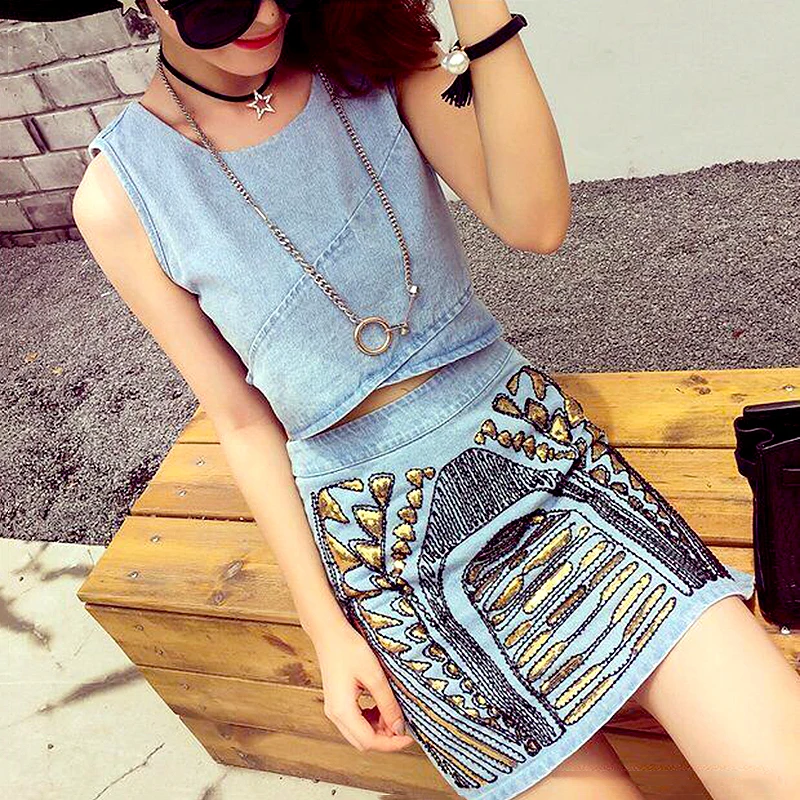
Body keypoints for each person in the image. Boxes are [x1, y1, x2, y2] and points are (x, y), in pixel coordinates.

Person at [8, 1, 797, 798]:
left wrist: (480, 12)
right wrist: (327, 631)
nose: (269, 10)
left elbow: (536, 221)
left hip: (542, 463)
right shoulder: (121, 194)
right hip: (385, 548)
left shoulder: (371, 58)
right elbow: (243, 422)